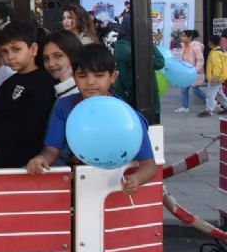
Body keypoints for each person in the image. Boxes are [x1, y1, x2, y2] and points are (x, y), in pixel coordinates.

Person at [27, 45, 157, 195]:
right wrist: (41, 159)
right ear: (74, 77)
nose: (90, 82)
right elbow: (51, 149)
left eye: (99, 75)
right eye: (82, 76)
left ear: (113, 77)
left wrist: (136, 179)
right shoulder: (64, 107)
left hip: (110, 189)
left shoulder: (128, 117)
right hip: (73, 186)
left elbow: (149, 166)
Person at [0, 22, 55, 169]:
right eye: (5, 51)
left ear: (33, 49)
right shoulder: (7, 84)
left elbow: (33, 127)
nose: (10, 57)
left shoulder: (43, 82)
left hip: (23, 154)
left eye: (16, 49)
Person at [41, 30, 83, 100]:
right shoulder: (47, 85)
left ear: (74, 55)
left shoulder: (86, 90)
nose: (51, 64)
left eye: (58, 56)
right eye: (46, 58)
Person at [176, 29, 206, 114]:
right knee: (184, 89)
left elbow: (200, 59)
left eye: (184, 36)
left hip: (194, 72)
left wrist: (196, 70)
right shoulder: (183, 46)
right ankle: (184, 107)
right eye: (182, 35)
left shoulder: (196, 46)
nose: (182, 37)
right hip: (186, 72)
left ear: (189, 37)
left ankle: (211, 101)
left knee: (195, 89)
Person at [204, 35, 227, 116]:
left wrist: (215, 76)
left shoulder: (214, 53)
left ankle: (209, 110)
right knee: (220, 94)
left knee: (210, 94)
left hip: (215, 78)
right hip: (221, 77)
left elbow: (218, 65)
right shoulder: (223, 51)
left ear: (210, 43)